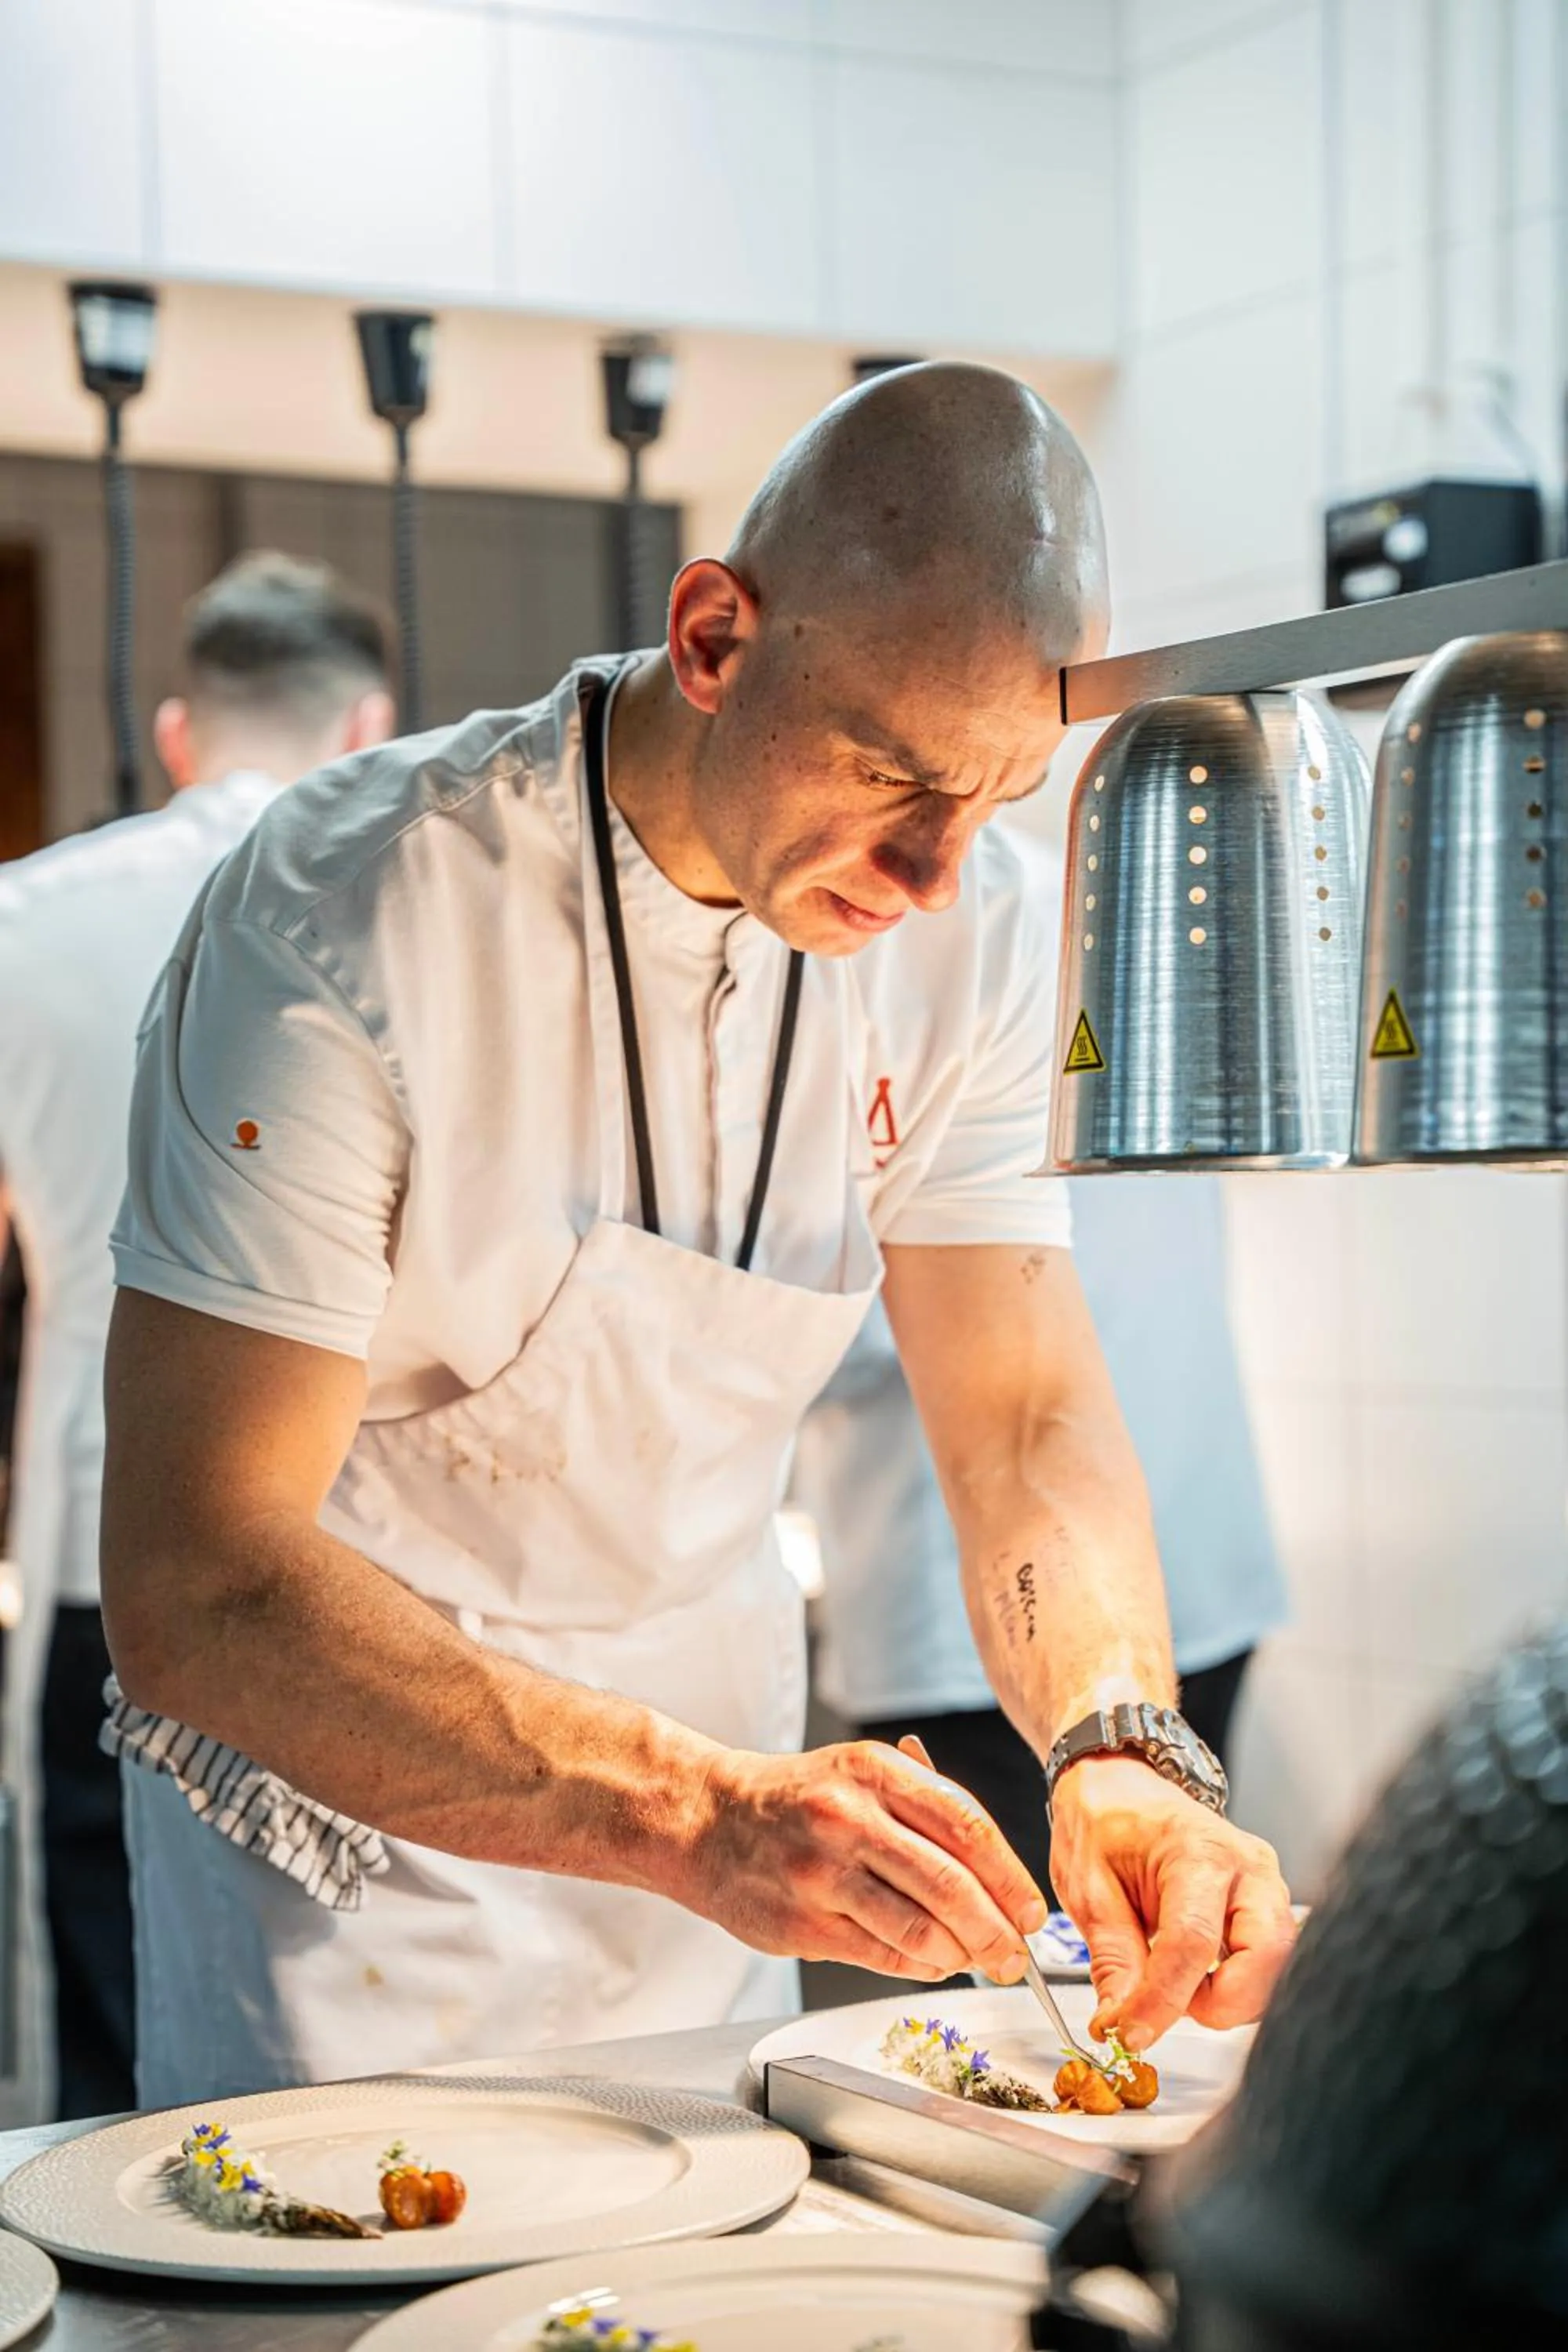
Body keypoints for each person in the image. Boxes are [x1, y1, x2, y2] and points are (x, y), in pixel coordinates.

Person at [98, 365, 1295, 2110]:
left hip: (719, 1862)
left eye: (997, 795)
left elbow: (1022, 1407)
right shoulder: (355, 912)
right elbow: (199, 1578)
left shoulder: (975, 926)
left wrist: (1121, 1736)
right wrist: (689, 1810)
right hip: (354, 1880)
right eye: (889, 769)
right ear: (717, 637)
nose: (934, 873)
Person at [0, 554, 394, 2117]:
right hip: (369, 1569)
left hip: (113, 1555)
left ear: (177, 732)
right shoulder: (401, 901)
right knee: (360, 2060)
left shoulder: (23, 918)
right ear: (370, 721)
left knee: (124, 2062)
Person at [797, 840, 1287, 1904]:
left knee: (1060, 1966)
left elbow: (944, 1378)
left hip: (1001, 1612)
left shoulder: (988, 947)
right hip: (1188, 1552)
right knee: (1042, 1979)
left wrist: (1120, 1737)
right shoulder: (1088, 948)